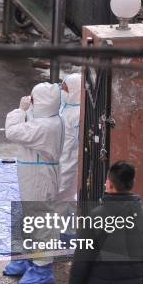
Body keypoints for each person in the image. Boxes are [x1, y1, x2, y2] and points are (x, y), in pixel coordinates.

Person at [3, 83, 65, 284]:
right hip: (33, 173)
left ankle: (42, 267)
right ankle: (29, 257)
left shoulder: (47, 126)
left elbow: (12, 131)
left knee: (41, 219)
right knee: (30, 214)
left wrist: (19, 110)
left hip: (40, 175)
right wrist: (27, 111)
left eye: (34, 99)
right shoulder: (48, 119)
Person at [58, 73, 82, 202]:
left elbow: (74, 142)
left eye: (65, 89)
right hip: (60, 151)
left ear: (75, 90)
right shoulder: (65, 105)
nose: (62, 92)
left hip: (69, 154)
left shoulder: (78, 113)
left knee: (65, 185)